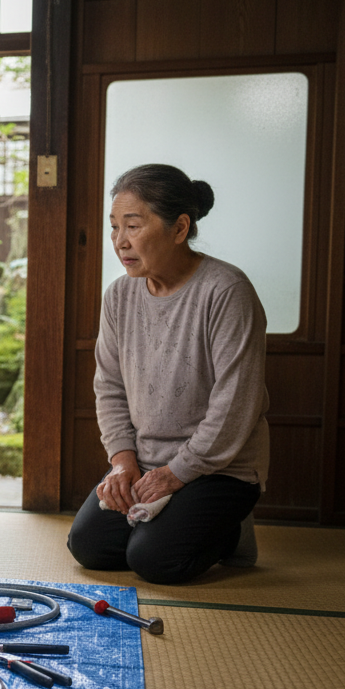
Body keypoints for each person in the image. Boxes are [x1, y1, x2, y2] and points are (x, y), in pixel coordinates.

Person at [67, 164, 270, 584]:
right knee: (89, 548)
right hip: (144, 461)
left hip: (220, 467)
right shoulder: (120, 295)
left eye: (134, 226)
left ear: (180, 228)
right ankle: (177, 523)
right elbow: (109, 386)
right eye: (114, 227)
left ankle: (231, 532)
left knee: (156, 561)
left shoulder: (226, 290)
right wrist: (122, 463)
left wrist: (177, 474)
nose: (120, 242)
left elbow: (236, 404)